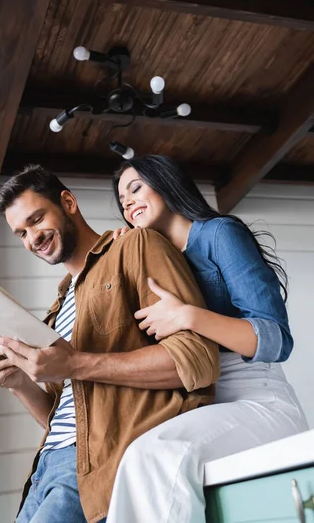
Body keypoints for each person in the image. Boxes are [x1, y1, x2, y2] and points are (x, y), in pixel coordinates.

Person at [0, 164, 220, 523]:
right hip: (45, 471)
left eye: (37, 219)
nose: (32, 239)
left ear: (68, 202)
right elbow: (71, 417)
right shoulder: (59, 304)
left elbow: (198, 361)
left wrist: (74, 364)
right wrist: (19, 384)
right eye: (21, 233)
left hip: (97, 472)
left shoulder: (136, 246)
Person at [106, 154, 308, 523]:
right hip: (202, 405)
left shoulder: (219, 234)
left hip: (258, 400)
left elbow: (276, 339)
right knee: (132, 457)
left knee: (154, 455)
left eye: (135, 188)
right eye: (122, 201)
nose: (128, 203)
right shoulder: (155, 259)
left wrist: (187, 316)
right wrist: (121, 254)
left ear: (166, 182)